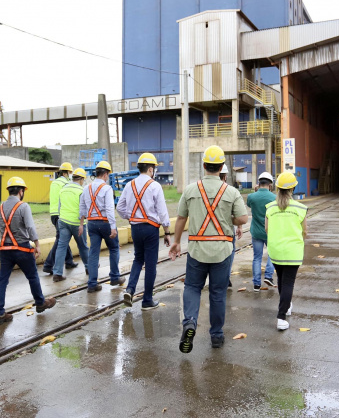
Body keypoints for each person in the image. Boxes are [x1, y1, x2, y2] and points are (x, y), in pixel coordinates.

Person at [170, 145, 249, 352]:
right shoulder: (231, 191)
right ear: (222, 167)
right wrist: (228, 219)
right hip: (222, 251)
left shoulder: (190, 190)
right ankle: (216, 335)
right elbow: (243, 218)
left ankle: (190, 322)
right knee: (217, 292)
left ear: (204, 165)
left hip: (197, 250)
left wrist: (176, 242)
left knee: (192, 287)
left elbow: (181, 218)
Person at [0, 177, 57, 325]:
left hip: (5, 249)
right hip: (22, 248)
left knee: (2, 280)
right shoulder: (23, 207)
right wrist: (37, 244)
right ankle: (40, 303)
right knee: (32, 276)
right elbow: (30, 227)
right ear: (21, 191)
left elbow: (1, 228)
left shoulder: (1, 208)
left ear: (9, 190)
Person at [117, 152, 171, 310]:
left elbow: (120, 207)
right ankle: (147, 300)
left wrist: (130, 217)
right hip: (150, 229)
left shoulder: (130, 185)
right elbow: (162, 212)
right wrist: (167, 232)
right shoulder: (155, 186)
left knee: (138, 259)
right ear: (150, 169)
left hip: (135, 228)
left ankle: (130, 290)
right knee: (151, 264)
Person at [264, 172, 308, 331]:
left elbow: (266, 229)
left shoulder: (270, 207)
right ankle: (281, 318)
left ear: (277, 188)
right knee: (288, 282)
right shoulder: (301, 208)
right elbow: (305, 231)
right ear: (293, 188)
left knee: (282, 280)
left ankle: (286, 306)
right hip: (293, 251)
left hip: (275, 250)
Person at [80, 161, 125, 292]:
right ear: (105, 174)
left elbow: (82, 208)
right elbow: (110, 209)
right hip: (105, 223)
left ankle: (92, 283)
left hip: (91, 223)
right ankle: (115, 277)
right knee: (114, 248)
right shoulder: (107, 188)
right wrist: (113, 227)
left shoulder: (86, 188)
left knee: (93, 252)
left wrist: (81, 224)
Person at [52, 168, 91, 281]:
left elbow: (59, 206)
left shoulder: (63, 189)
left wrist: (61, 219)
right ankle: (89, 268)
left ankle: (57, 273)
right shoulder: (82, 190)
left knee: (61, 247)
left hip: (63, 221)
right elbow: (84, 210)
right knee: (83, 246)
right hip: (77, 223)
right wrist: (81, 223)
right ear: (81, 179)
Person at [43, 162, 78, 274]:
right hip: (61, 214)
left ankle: (69, 261)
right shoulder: (66, 183)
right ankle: (48, 265)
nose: (71, 174)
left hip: (53, 213)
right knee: (60, 240)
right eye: (70, 172)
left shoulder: (55, 182)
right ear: (65, 173)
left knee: (64, 237)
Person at [246, 172, 277, 290]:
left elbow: (250, 205)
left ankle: (256, 284)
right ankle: (268, 276)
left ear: (258, 183)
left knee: (257, 257)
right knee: (272, 254)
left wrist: (255, 192)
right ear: (270, 184)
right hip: (270, 232)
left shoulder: (251, 197)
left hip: (256, 232)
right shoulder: (274, 198)